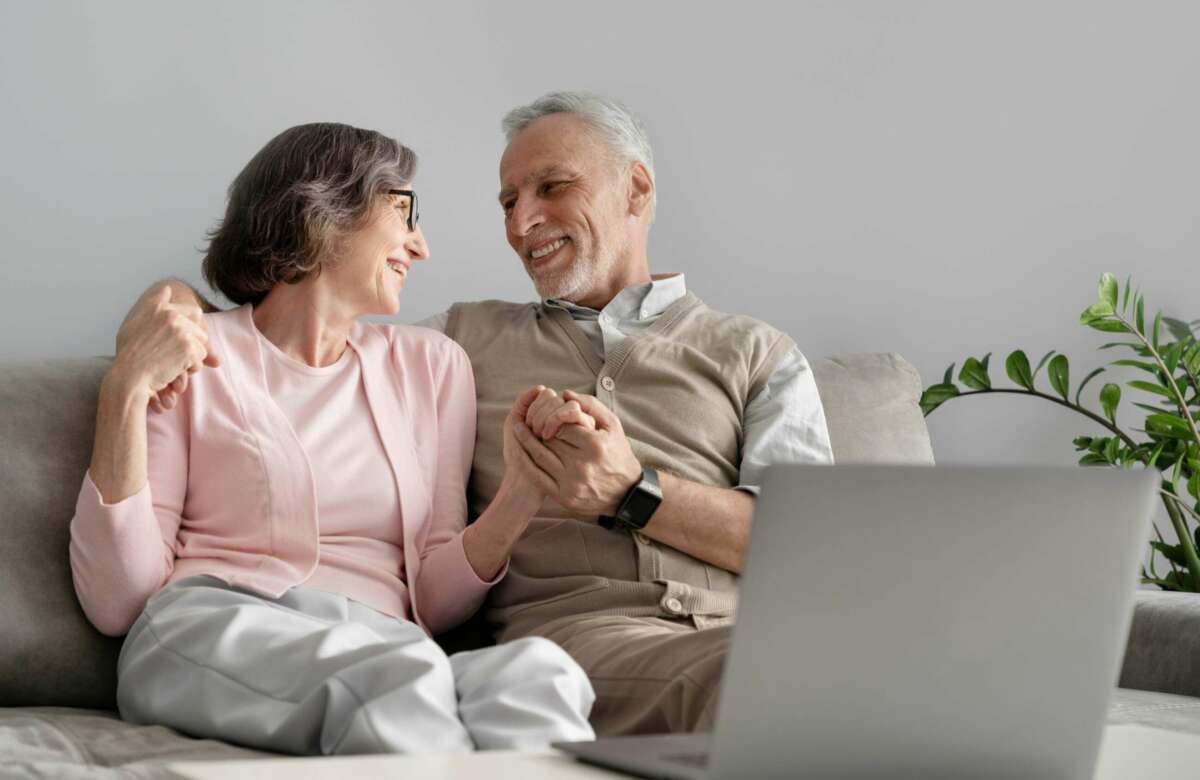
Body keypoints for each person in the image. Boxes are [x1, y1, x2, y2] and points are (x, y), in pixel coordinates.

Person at [142, 92, 834, 737]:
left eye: (551, 188)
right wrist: (170, 304)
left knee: (853, 657)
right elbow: (306, 326)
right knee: (774, 680)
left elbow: (812, 551)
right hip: (585, 639)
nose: (520, 222)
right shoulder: (457, 342)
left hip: (747, 628)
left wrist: (634, 490)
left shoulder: (758, 355)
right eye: (508, 201)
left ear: (638, 188)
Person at [69, 122, 595, 756]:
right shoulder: (196, 352)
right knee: (392, 685)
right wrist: (124, 391)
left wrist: (524, 489)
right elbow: (117, 601)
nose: (421, 246)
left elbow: (430, 596)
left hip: (387, 644)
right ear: (323, 211)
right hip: (212, 625)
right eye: (405, 212)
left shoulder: (432, 366)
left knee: (540, 677)